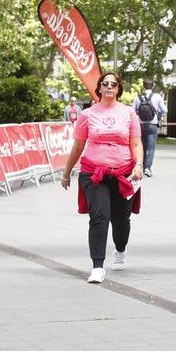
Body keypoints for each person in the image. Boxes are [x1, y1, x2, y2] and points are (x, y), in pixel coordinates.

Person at [61, 70, 143, 281]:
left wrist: (139, 164)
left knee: (121, 219)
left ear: (118, 89)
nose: (109, 87)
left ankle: (121, 249)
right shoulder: (87, 114)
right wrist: (67, 172)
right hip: (93, 172)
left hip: (124, 173)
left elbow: (135, 143)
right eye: (105, 83)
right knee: (99, 216)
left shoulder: (128, 113)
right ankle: (97, 266)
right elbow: (78, 145)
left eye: (113, 84)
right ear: (98, 88)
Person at [133, 82, 167, 177]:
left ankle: (141, 167)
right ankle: (148, 169)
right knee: (151, 148)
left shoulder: (138, 97)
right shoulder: (157, 97)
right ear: (153, 86)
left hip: (140, 125)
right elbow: (165, 110)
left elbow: (133, 111)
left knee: (141, 147)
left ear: (143, 86)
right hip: (152, 125)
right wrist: (158, 115)